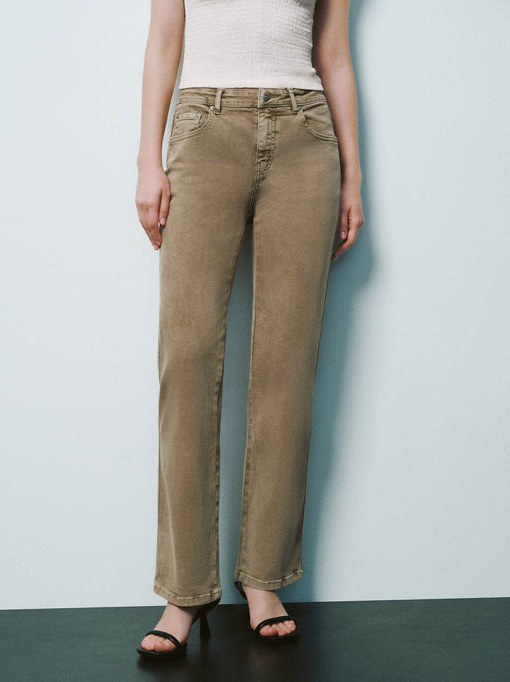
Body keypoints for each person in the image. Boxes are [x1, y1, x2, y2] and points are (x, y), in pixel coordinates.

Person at [135, 0, 364, 659]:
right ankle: (185, 590)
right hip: (204, 126)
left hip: (305, 135)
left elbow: (334, 56)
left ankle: (263, 579)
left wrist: (353, 177)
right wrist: (148, 161)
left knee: (286, 363)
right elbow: (163, 43)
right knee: (187, 355)